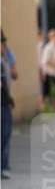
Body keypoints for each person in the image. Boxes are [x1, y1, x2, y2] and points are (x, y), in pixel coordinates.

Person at [1, 32, 17, 179]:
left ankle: (4, 166)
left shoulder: (5, 57)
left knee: (5, 134)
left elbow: (12, 76)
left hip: (4, 102)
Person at [41, 28, 55, 107]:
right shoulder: (48, 47)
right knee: (51, 92)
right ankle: (50, 107)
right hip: (50, 73)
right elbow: (46, 61)